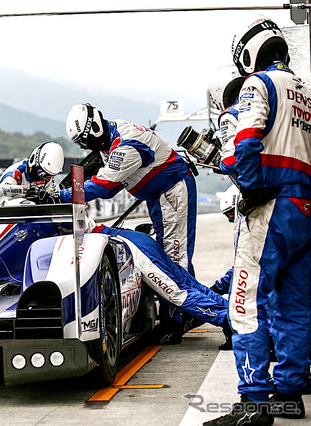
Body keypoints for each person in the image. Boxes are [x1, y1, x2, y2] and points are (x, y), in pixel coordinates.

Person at [205, 15, 311, 425]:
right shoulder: (305, 92)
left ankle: (254, 402)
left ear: (249, 53)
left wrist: (249, 187)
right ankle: (289, 392)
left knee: (245, 302)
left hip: (271, 207)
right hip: (305, 209)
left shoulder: (258, 84)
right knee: (295, 305)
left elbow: (247, 139)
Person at [60, 104, 197, 275]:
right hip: (157, 196)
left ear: (93, 129)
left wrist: (62, 196)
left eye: (84, 141)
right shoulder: (110, 137)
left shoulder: (125, 144)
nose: (85, 147)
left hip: (173, 189)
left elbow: (105, 185)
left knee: (176, 256)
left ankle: (188, 299)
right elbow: (111, 187)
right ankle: (189, 296)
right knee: (166, 253)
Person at [93, 224, 230, 343]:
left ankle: (226, 320)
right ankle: (231, 312)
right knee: (186, 284)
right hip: (135, 238)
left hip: (131, 245)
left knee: (175, 293)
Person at [208, 65, 244, 177]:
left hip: (265, 186)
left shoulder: (230, 114)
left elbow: (230, 162)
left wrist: (218, 160)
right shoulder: (263, 102)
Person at [0, 141, 64, 203]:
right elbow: (3, 200)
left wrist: (48, 199)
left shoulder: (48, 175)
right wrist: (25, 199)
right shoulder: (13, 175)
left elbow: (55, 197)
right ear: (34, 161)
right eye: (41, 173)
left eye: (47, 175)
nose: (42, 177)